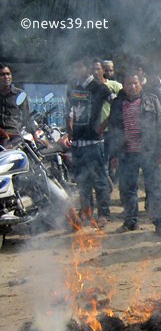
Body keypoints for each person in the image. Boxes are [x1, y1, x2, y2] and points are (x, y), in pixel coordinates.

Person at [107, 70, 161, 236]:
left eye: (135, 83)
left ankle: (159, 223)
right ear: (123, 85)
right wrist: (113, 154)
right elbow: (113, 130)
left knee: (154, 189)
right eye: (128, 84)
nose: (132, 86)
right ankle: (130, 221)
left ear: (141, 83)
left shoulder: (152, 100)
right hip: (126, 153)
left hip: (149, 152)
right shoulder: (117, 103)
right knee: (128, 189)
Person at [65, 57, 113, 228]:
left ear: (87, 68)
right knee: (82, 181)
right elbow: (69, 110)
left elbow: (116, 105)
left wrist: (103, 125)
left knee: (99, 180)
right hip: (77, 143)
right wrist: (69, 128)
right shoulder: (73, 87)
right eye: (74, 67)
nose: (77, 70)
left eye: (80, 66)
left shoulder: (99, 87)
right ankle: (87, 213)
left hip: (94, 142)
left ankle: (104, 214)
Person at [0, 62, 32, 147]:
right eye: (2, 75)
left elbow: (27, 117)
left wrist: (36, 137)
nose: (6, 77)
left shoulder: (20, 95)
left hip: (15, 138)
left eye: (8, 74)